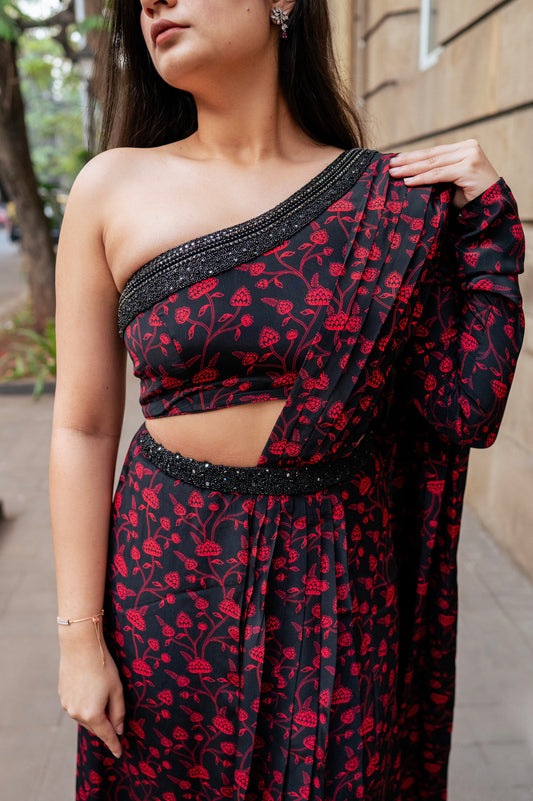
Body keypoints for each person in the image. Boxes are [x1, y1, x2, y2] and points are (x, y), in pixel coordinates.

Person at [48, 2, 525, 800]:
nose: (153, 2)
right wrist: (78, 639)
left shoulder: (390, 201)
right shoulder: (112, 185)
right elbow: (82, 426)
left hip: (337, 582)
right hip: (167, 579)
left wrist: (488, 230)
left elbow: (465, 409)